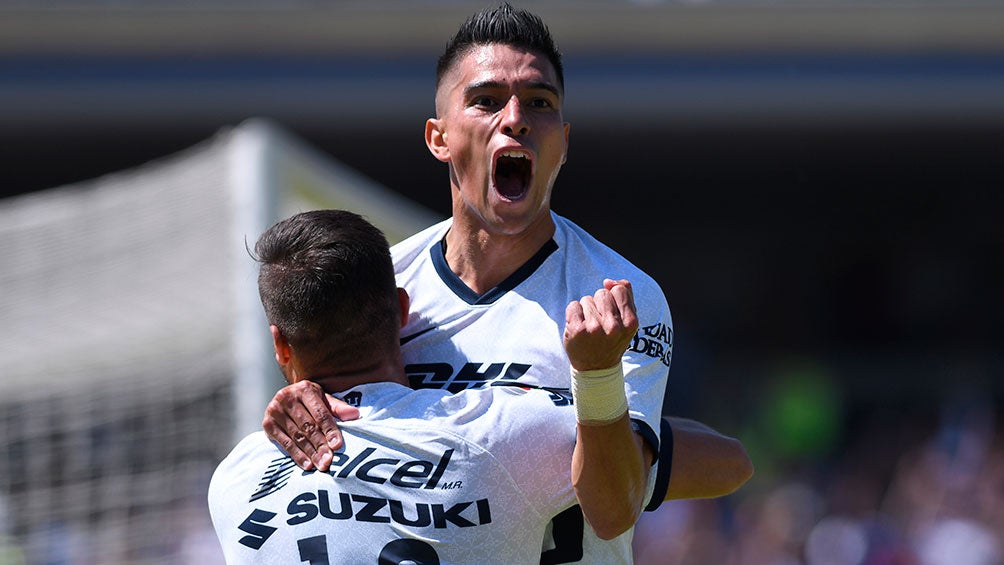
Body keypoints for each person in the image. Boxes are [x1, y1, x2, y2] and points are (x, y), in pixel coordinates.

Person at [261, 3, 753, 562]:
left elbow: (612, 512)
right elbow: (326, 419)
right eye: (486, 101)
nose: (515, 118)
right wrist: (296, 395)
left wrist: (596, 377)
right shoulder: (386, 284)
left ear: (563, 144)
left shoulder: (616, 298)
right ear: (438, 137)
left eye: (538, 103)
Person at [209, 209, 641, 563]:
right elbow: (642, 465)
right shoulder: (505, 434)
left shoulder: (236, 479)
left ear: (281, 344)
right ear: (401, 309)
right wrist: (597, 372)